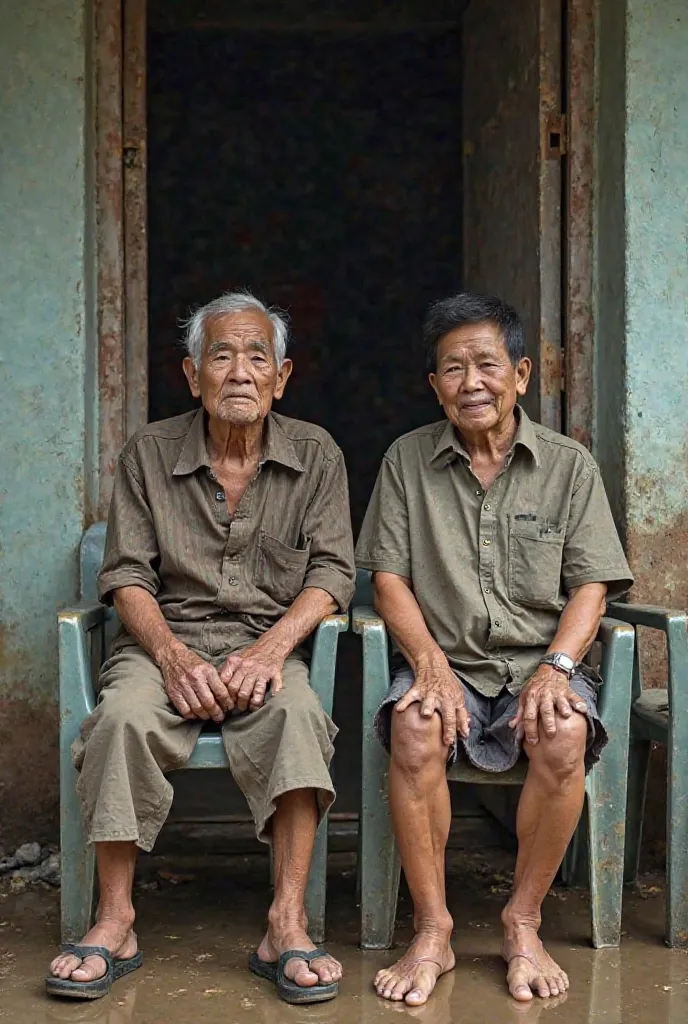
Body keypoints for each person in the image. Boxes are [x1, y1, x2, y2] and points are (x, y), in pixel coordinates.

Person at [47, 291, 355, 1004]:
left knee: (299, 719)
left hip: (264, 648)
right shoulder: (149, 453)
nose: (240, 372)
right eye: (222, 356)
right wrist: (173, 657)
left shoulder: (316, 455)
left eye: (258, 357)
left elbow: (334, 572)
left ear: (282, 377)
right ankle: (115, 919)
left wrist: (273, 651)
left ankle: (286, 922)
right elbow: (124, 572)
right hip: (163, 646)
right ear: (192, 376)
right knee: (121, 718)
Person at [355, 292, 633, 1006]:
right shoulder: (406, 461)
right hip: (444, 662)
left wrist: (556, 667)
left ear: (521, 374)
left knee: (564, 731)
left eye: (486, 364)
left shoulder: (569, 467)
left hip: (541, 664)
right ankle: (435, 928)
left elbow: (593, 587)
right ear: (434, 385)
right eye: (452, 369)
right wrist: (429, 663)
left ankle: (523, 920)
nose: (470, 382)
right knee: (415, 726)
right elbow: (387, 579)